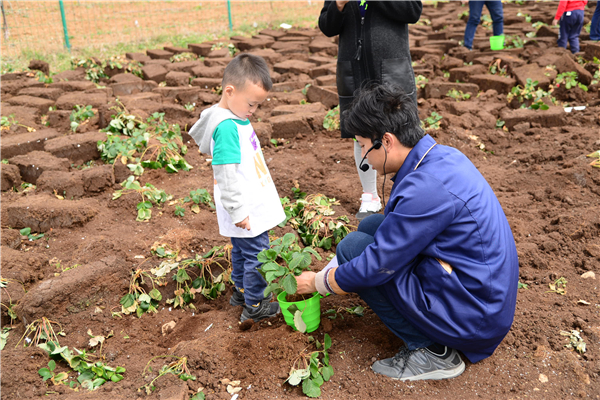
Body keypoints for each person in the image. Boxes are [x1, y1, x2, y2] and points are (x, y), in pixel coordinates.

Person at [296, 84, 519, 381]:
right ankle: (428, 328)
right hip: (478, 289)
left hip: (474, 315)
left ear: (386, 141)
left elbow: (376, 265)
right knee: (371, 227)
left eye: (363, 146)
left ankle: (432, 353)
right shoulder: (437, 157)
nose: (363, 157)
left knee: (354, 249)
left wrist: (319, 281)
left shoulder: (426, 188)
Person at [188, 54, 284, 322]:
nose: (253, 109)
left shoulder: (234, 115)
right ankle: (255, 305)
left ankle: (241, 293)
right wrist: (239, 210)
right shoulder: (228, 127)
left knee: (242, 251)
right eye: (251, 103)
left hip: (245, 205)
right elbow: (226, 175)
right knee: (257, 254)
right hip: (246, 207)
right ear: (229, 92)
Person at [318, 0, 422, 221]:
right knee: (360, 134)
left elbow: (413, 11)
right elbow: (327, 26)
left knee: (401, 130)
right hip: (354, 69)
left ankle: (412, 194)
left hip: (390, 68)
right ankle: (370, 196)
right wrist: (338, 5)